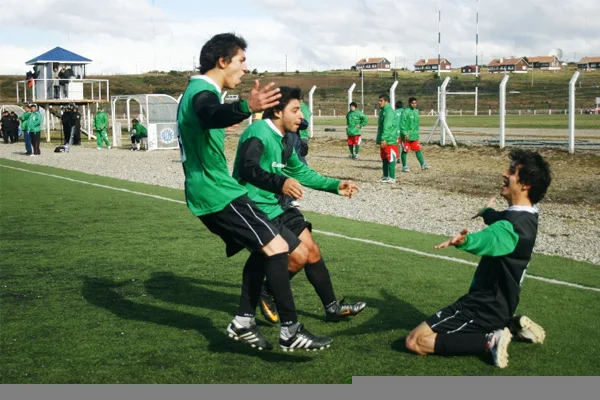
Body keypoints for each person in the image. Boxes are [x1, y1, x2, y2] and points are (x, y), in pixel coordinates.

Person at [177, 32, 332, 352]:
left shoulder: (202, 91)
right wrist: (245, 107)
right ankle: (290, 330)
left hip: (223, 190)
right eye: (241, 60)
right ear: (223, 61)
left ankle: (244, 321)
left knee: (281, 246)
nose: (246, 68)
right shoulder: (201, 92)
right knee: (277, 247)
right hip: (215, 192)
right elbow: (209, 114)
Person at [232, 86, 367, 325]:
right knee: (298, 257)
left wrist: (335, 185)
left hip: (277, 205)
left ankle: (332, 307)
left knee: (312, 251)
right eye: (295, 110)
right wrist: (281, 182)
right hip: (256, 208)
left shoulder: (284, 139)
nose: (301, 116)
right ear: (276, 110)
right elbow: (247, 168)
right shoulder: (258, 132)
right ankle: (266, 291)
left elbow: (300, 171)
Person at [405, 149, 552, 368]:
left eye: (512, 171)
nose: (505, 174)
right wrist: (487, 212)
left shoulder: (511, 228)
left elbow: (491, 239)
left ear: (526, 184)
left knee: (415, 341)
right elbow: (500, 219)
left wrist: (466, 242)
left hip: (482, 307)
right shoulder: (528, 215)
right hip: (501, 303)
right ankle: (511, 325)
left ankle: (490, 340)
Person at [399, 97, 429, 172]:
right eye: (413, 103)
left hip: (414, 136)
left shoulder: (416, 111)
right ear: (409, 103)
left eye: (415, 103)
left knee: (418, 149)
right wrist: (405, 133)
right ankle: (404, 166)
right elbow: (402, 123)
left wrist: (416, 134)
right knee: (405, 151)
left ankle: (423, 164)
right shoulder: (405, 111)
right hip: (406, 136)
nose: (414, 104)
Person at [376, 94, 398, 183]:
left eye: (381, 101)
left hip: (389, 139)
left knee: (390, 158)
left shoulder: (389, 112)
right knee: (384, 158)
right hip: (384, 138)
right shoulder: (383, 111)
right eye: (379, 100)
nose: (379, 102)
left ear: (386, 101)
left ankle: (392, 177)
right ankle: (385, 176)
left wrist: (384, 138)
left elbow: (387, 126)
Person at [298, 96, 311, 161]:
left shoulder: (302, 108)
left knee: (300, 158)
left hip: (301, 135)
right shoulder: (305, 108)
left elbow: (304, 123)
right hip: (302, 135)